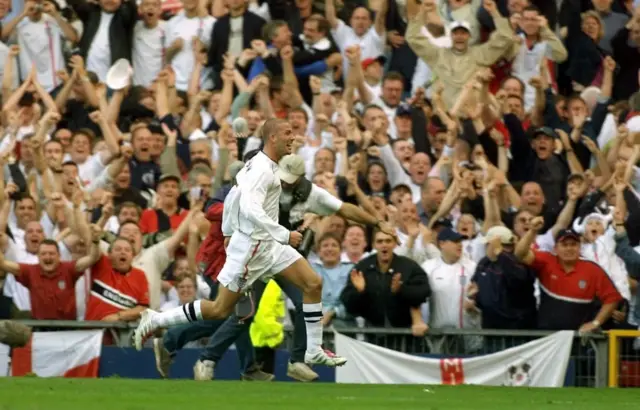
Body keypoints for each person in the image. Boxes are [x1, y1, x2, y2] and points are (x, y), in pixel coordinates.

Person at [134, 118, 347, 367]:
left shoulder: (263, 167)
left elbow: (235, 199)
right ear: (273, 138)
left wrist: (227, 230)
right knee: (219, 311)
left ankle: (310, 351)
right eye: (288, 132)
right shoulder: (261, 171)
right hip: (248, 252)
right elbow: (245, 208)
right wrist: (283, 234)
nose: (294, 137)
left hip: (268, 247)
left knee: (312, 283)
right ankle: (158, 322)